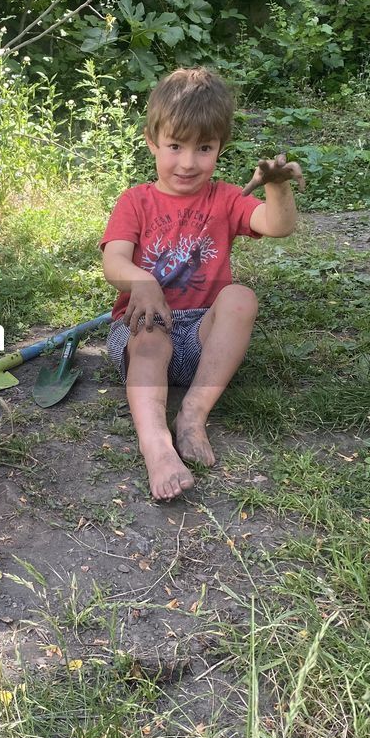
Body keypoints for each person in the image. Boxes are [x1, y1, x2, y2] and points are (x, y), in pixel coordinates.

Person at [100, 67, 303, 501]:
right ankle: (155, 444)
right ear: (152, 140)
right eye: (175, 146)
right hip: (143, 335)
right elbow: (113, 261)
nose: (188, 162)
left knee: (240, 296)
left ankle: (192, 414)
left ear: (220, 148)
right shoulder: (135, 201)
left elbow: (276, 226)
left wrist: (278, 190)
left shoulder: (227, 198)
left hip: (201, 340)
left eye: (204, 148)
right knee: (151, 332)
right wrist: (142, 282)